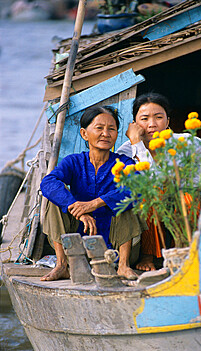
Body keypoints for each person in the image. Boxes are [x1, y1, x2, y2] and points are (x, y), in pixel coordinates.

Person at [40, 106, 145, 281]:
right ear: (84, 133)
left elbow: (139, 188)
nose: (106, 133)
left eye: (111, 129)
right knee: (55, 200)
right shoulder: (74, 162)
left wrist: (96, 203)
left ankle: (123, 266)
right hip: (76, 249)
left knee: (126, 201)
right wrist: (77, 209)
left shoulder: (124, 163)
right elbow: (48, 183)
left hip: (115, 249)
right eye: (99, 128)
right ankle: (62, 265)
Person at [117, 92, 201, 271]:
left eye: (158, 117)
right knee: (147, 197)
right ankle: (148, 255)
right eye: (144, 118)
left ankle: (183, 250)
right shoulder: (126, 151)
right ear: (134, 124)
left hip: (178, 196)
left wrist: (191, 182)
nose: (152, 124)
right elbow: (149, 179)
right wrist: (137, 144)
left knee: (187, 199)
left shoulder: (181, 142)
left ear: (168, 122)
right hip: (150, 201)